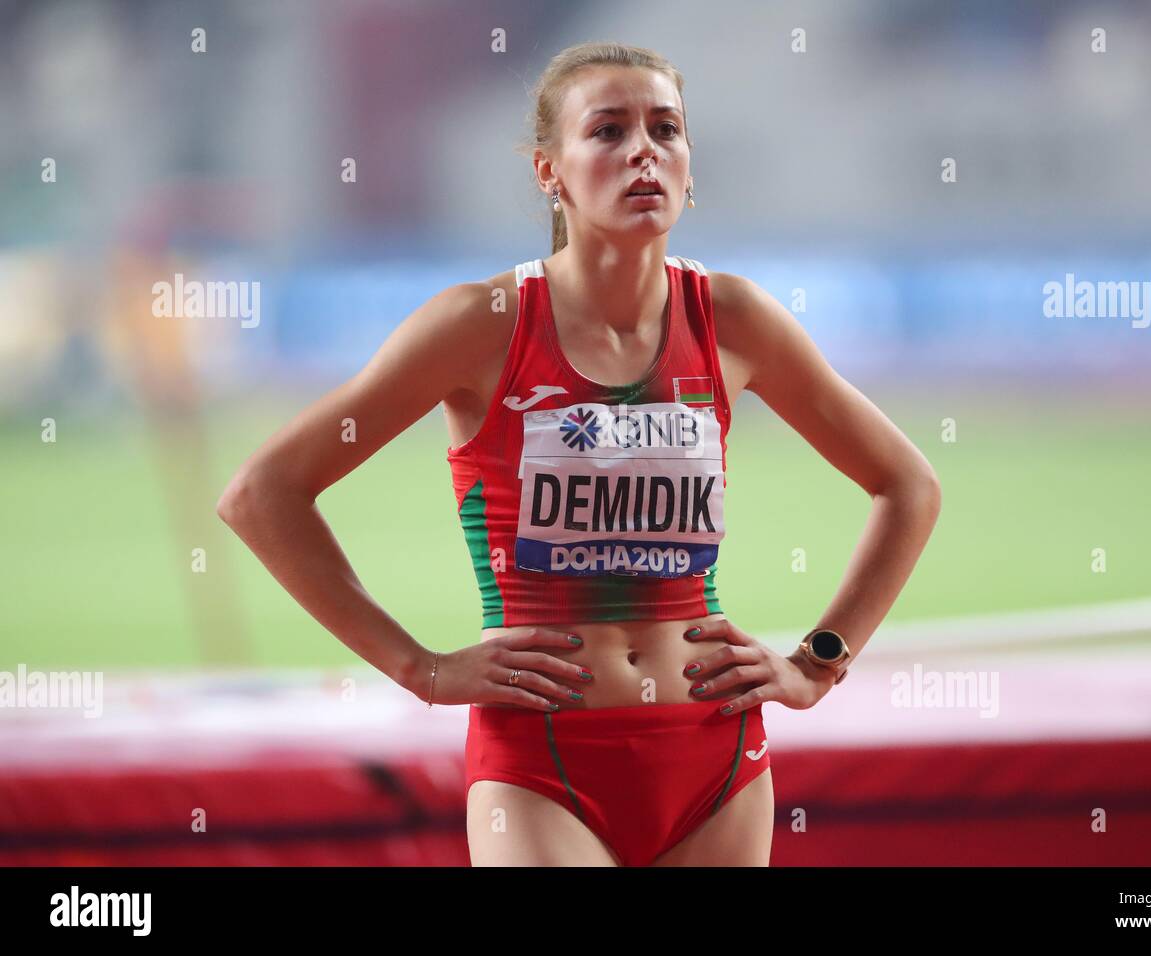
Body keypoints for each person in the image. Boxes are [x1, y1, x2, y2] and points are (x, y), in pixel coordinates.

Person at [216, 41, 941, 867]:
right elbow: (262, 492)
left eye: (666, 129)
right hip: (541, 764)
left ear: (689, 164)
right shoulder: (481, 324)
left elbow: (907, 484)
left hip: (718, 756)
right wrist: (419, 669)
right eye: (608, 130)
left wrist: (819, 663)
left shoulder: (733, 319)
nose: (644, 151)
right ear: (548, 172)